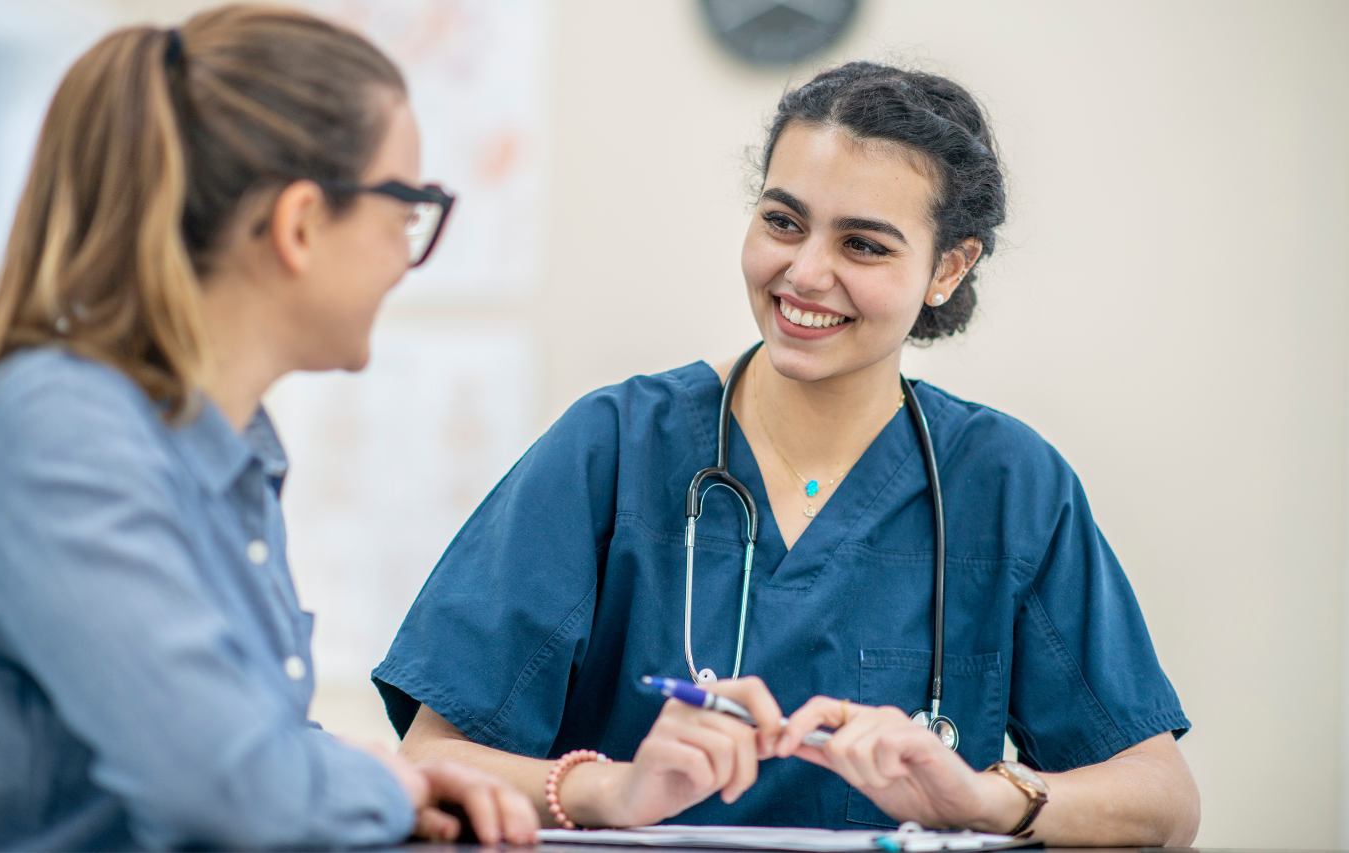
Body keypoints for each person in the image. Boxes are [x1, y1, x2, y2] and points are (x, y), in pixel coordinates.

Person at [375, 62, 1200, 845]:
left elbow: (1164, 798)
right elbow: (431, 757)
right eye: (782, 221)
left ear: (948, 268)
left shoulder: (1008, 482)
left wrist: (988, 797)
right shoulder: (616, 446)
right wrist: (611, 790)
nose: (805, 272)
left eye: (864, 245)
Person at [0, 6, 539, 850]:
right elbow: (226, 790)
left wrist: (401, 778)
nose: (405, 250)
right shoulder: (60, 433)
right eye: (407, 205)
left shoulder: (230, 451)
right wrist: (381, 782)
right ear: (302, 223)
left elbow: (231, 739)